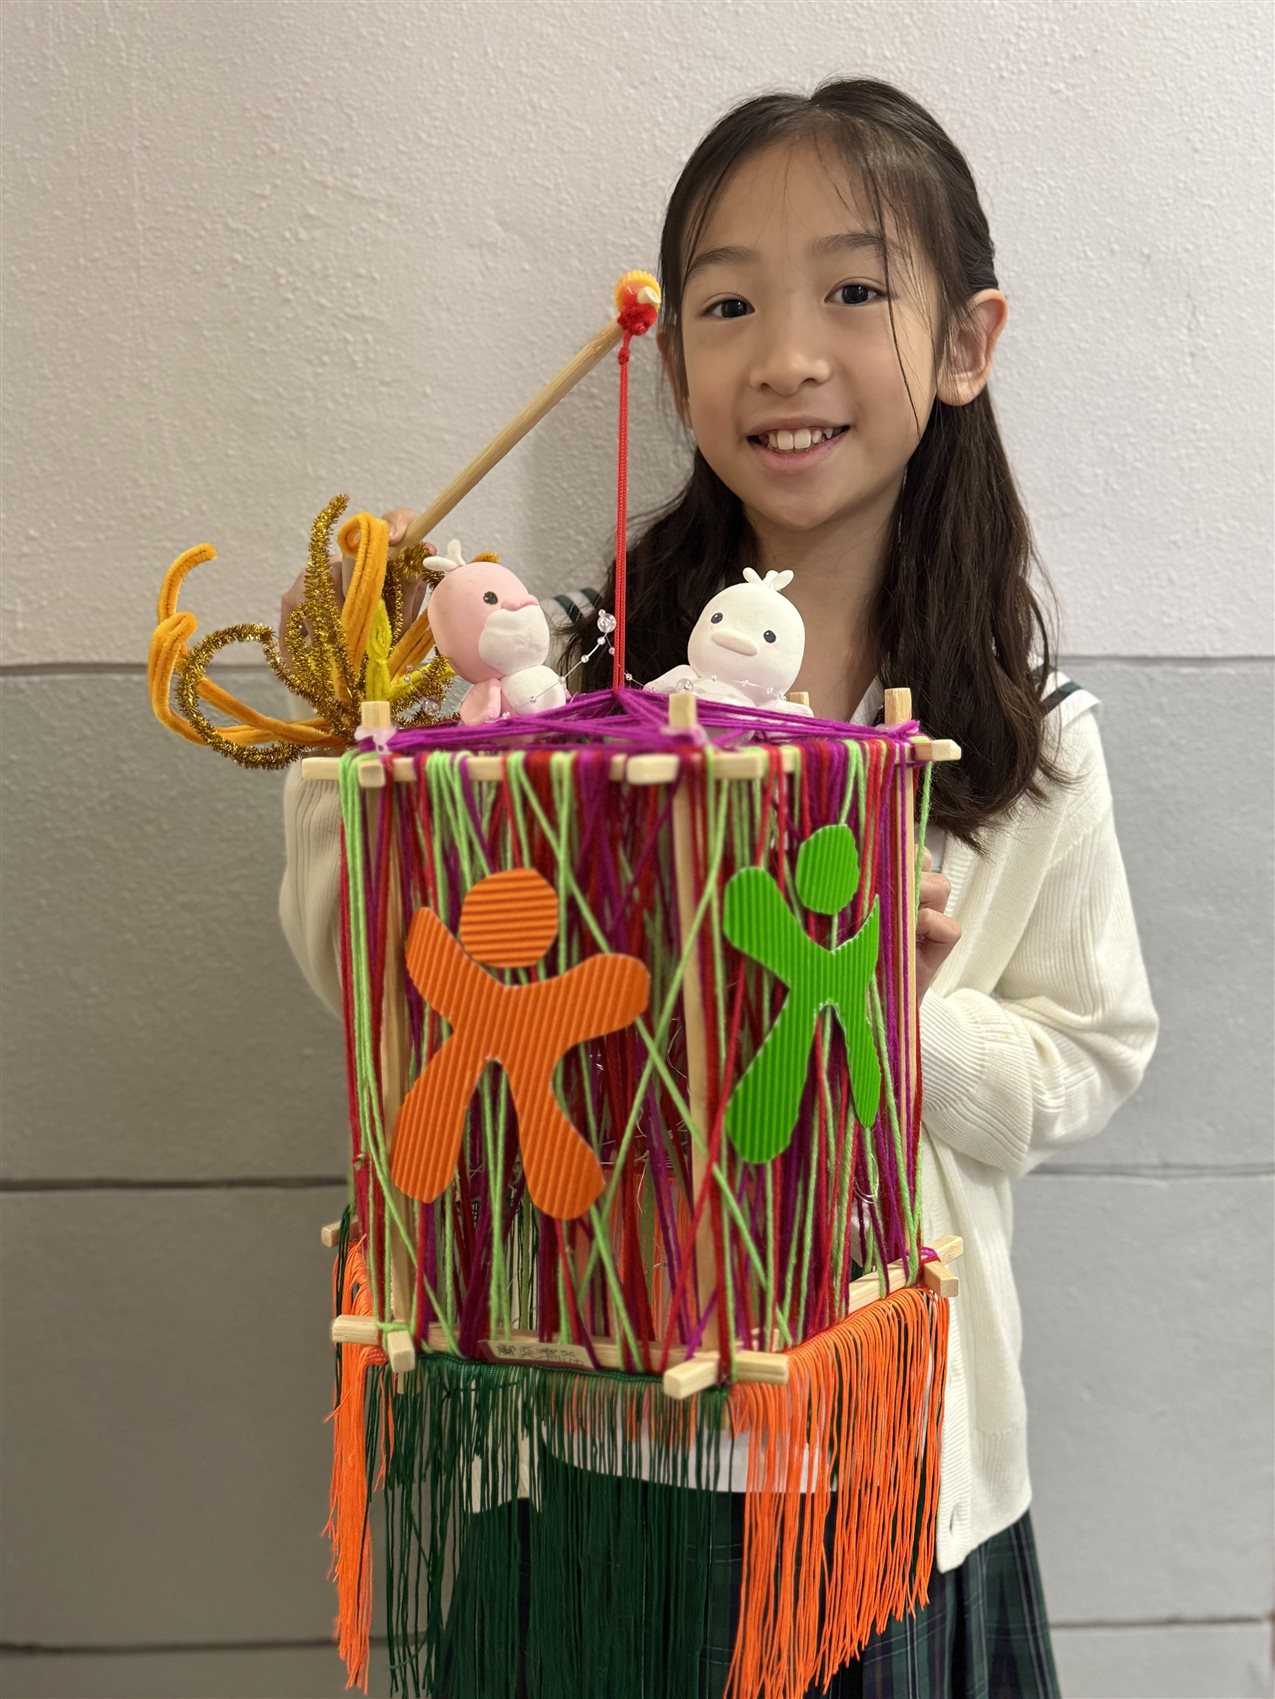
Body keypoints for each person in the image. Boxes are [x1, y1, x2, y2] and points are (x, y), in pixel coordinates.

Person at [280, 77, 1159, 1699]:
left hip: (887, 1468)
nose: (787, 357)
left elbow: (1090, 1055)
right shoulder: (562, 684)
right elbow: (377, 978)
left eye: (853, 291)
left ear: (967, 343)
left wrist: (891, 1017)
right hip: (591, 1434)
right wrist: (369, 746)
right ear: (672, 362)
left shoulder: (1029, 737)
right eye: (730, 305)